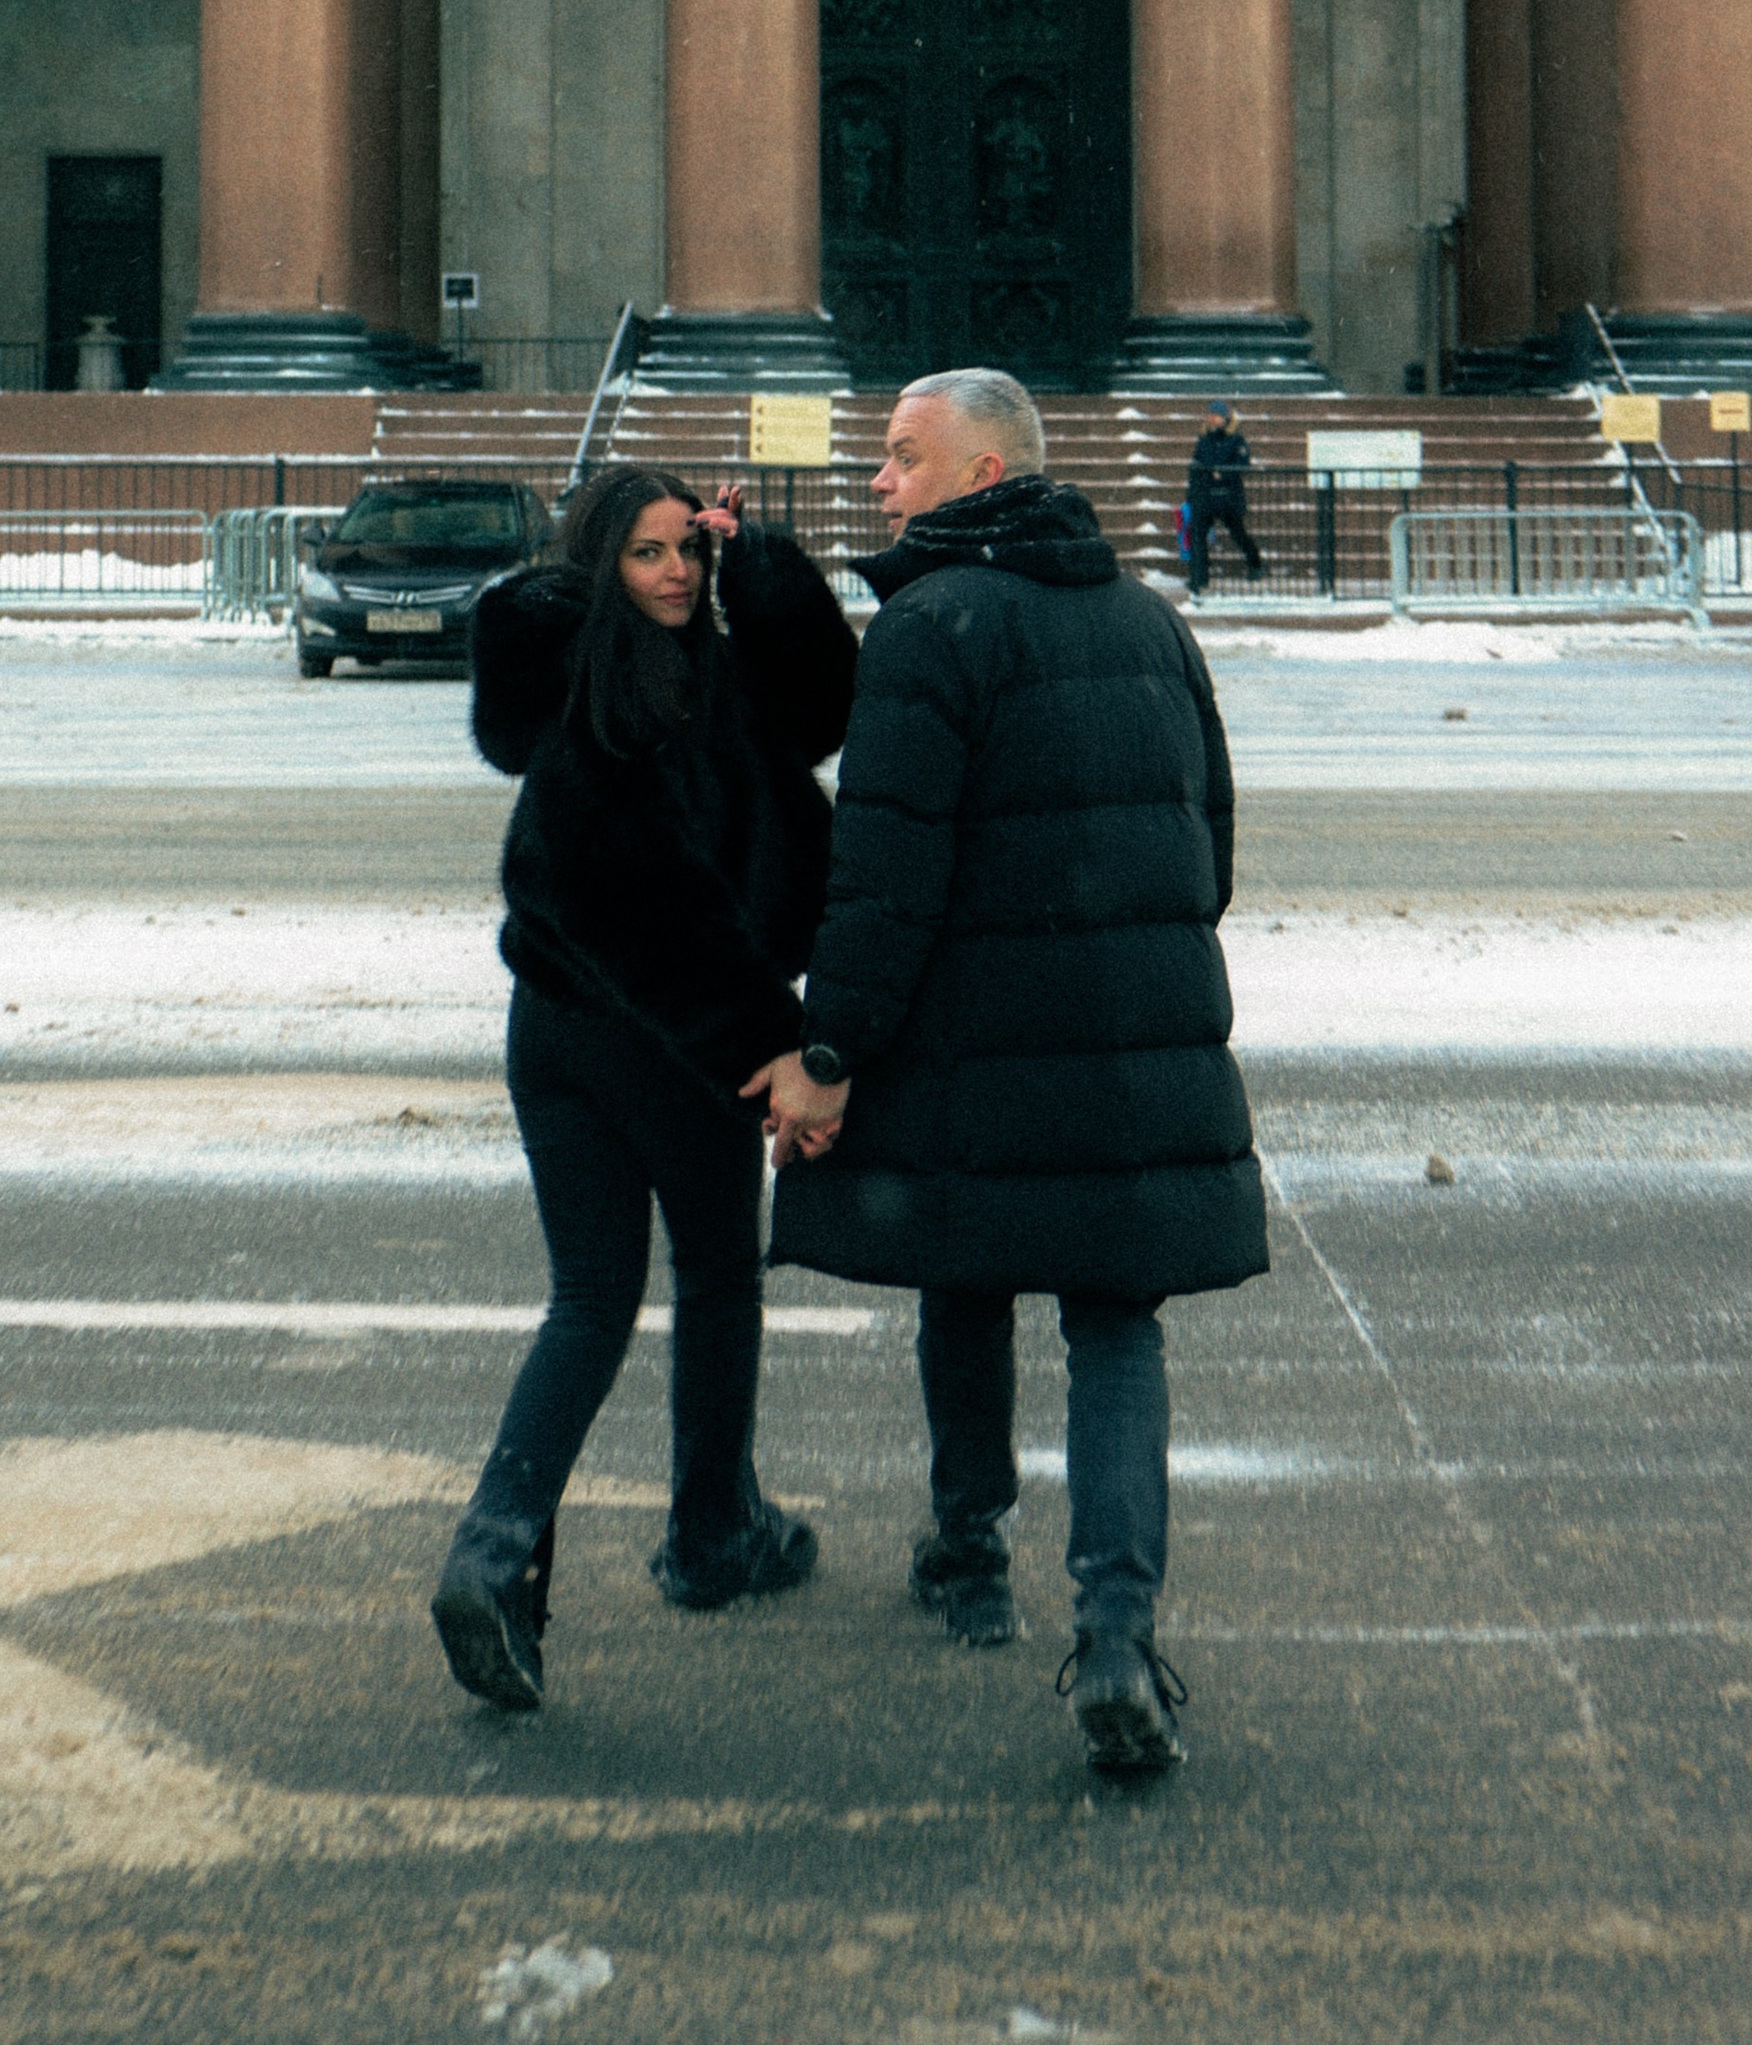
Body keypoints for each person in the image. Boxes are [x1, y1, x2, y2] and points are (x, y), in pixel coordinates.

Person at [755, 367, 1267, 1781]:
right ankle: (1114, 1631)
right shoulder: (1151, 625)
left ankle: (967, 1553)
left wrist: (833, 1048)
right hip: (1126, 1050)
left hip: (973, 1045)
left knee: (966, 1280)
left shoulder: (930, 627)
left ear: (983, 479)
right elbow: (1209, 853)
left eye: (904, 460)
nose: (879, 484)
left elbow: (886, 876)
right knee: (1115, 1325)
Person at [429, 461, 856, 1713]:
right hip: (659, 1039)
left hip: (556, 1031)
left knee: (591, 1300)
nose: (676, 574)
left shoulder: (671, 667)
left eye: (689, 551)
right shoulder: (618, 698)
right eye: (648, 555)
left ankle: (498, 1547)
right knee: (713, 1277)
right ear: (596, 565)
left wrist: (763, 567)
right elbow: (649, 906)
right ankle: (710, 1531)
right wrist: (767, 1042)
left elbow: (821, 710)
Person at [1185, 402, 1263, 593]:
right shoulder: (1204, 439)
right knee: (1198, 536)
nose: (1211, 418)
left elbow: (1243, 464)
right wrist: (1192, 490)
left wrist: (1223, 473)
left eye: (1215, 415)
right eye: (1209, 414)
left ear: (1224, 418)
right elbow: (1196, 464)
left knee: (1238, 533)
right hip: (1205, 496)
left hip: (1228, 497)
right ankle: (1199, 578)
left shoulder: (1235, 439)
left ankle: (1255, 562)